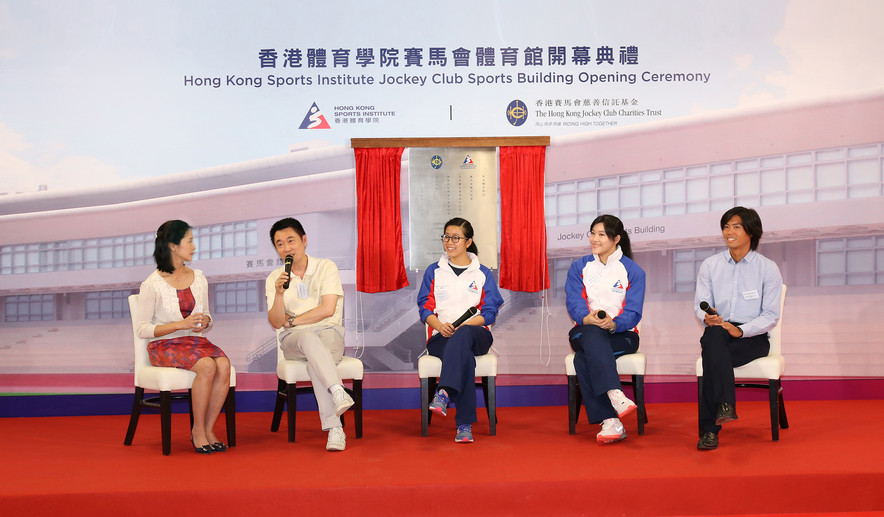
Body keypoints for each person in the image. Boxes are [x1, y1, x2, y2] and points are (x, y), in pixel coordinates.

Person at [135, 220, 231, 455]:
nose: (194, 246)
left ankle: (209, 429)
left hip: (194, 342)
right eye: (189, 241)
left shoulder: (198, 278)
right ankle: (197, 430)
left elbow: (206, 314)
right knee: (207, 366)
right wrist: (180, 325)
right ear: (173, 246)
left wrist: (206, 321)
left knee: (224, 365)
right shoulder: (152, 284)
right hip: (163, 345)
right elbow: (142, 329)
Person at [694, 206, 782, 450]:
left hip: (752, 337)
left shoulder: (767, 268)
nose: (728, 232)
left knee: (712, 358)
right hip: (718, 330)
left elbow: (771, 315)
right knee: (713, 336)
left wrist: (741, 330)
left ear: (751, 232)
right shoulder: (710, 266)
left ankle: (709, 430)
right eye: (725, 226)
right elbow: (700, 306)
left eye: (736, 226)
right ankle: (724, 407)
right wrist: (707, 318)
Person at [265, 217, 352, 452]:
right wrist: (279, 295)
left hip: (328, 333)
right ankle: (337, 392)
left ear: (304, 240)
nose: (286, 248)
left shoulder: (326, 267)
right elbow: (275, 322)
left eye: (290, 241)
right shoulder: (275, 278)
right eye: (280, 244)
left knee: (316, 359)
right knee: (307, 338)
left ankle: (334, 428)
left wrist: (292, 320)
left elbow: (328, 309)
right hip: (294, 340)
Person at [417, 217, 504, 443]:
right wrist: (439, 326)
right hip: (440, 337)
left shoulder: (482, 272)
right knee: (463, 355)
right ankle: (463, 425)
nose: (449, 242)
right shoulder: (434, 271)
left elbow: (490, 311)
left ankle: (444, 391)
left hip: (477, 334)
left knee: (464, 336)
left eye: (456, 238)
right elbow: (425, 308)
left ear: (468, 242)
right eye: (446, 237)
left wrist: (465, 325)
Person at [564, 214, 645, 444]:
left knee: (582, 359)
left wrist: (615, 323)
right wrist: (586, 318)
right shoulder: (579, 267)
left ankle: (611, 421)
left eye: (601, 234)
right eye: (592, 233)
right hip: (584, 330)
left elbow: (634, 311)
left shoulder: (633, 271)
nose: (594, 239)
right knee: (591, 334)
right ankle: (615, 394)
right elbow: (574, 302)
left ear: (616, 238)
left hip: (623, 335)